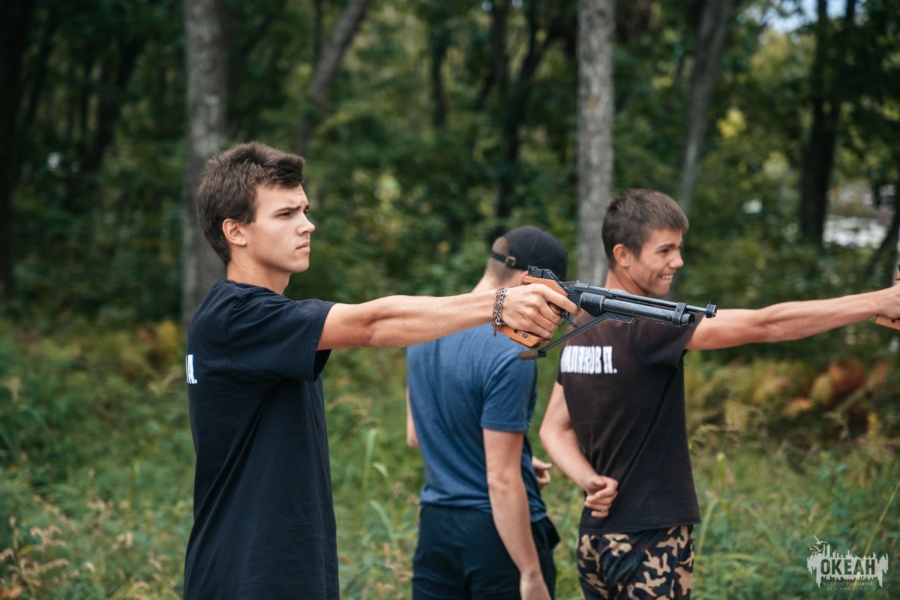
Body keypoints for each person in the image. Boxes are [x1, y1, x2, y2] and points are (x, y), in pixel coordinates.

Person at [182, 141, 578, 599]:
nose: (307, 225)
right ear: (236, 231)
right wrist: (499, 303)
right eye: (285, 214)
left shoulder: (256, 322)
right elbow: (371, 324)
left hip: (272, 572)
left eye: (305, 210)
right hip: (248, 578)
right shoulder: (237, 318)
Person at [538, 188, 900, 600]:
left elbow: (553, 428)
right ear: (623, 255)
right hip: (650, 541)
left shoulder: (581, 326)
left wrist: (589, 480)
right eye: (665, 250)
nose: (678, 261)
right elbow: (766, 325)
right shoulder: (648, 324)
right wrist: (877, 301)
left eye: (679, 248)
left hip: (595, 542)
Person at [405, 226, 618, 600]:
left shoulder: (425, 330)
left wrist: (515, 456)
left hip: (436, 531)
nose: (552, 315)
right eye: (553, 301)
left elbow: (417, 434)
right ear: (527, 285)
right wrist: (530, 573)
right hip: (496, 540)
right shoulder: (509, 354)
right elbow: (501, 480)